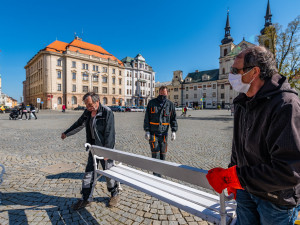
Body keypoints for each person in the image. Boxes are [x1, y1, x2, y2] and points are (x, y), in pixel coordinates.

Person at [206, 46, 300, 225]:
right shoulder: (243, 101)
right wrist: (233, 174)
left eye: (235, 70)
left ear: (254, 72)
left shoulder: (286, 105)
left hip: (275, 199)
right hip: (246, 191)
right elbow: (238, 147)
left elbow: (289, 170)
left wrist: (235, 177)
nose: (231, 75)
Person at [61, 92, 120, 210]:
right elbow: (78, 124)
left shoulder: (107, 112)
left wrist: (107, 152)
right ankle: (86, 197)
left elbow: (110, 133)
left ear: (97, 101)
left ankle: (114, 194)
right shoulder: (88, 112)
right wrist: (66, 133)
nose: (88, 107)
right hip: (93, 148)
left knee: (108, 172)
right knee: (89, 173)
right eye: (86, 105)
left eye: (90, 104)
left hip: (104, 148)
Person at [144, 86, 178, 176]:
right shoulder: (152, 103)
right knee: (155, 153)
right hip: (153, 133)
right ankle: (156, 175)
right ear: (159, 92)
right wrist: (147, 130)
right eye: (161, 93)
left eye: (165, 93)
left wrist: (174, 131)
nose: (163, 94)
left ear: (167, 93)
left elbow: (173, 118)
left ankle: (161, 173)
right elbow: (147, 117)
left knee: (163, 154)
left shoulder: (170, 104)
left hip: (164, 134)